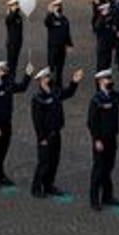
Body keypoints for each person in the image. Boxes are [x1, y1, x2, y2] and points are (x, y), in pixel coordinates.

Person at [86, 68, 119, 211]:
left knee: (108, 168)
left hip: (112, 138)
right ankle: (94, 199)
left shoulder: (113, 95)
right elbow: (91, 122)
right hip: (101, 140)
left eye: (110, 79)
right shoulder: (97, 100)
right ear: (100, 82)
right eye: (107, 79)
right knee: (98, 169)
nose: (110, 81)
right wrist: (96, 139)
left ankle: (107, 196)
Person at [30, 67, 84, 197]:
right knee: (44, 162)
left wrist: (74, 81)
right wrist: (41, 137)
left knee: (54, 161)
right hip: (46, 135)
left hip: (56, 132)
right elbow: (37, 120)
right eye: (47, 77)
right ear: (41, 80)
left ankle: (48, 185)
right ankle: (36, 187)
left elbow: (68, 93)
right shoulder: (38, 98)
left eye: (49, 77)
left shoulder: (54, 92)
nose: (50, 79)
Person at [0, 59, 34, 189]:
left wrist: (28, 75)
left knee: (3, 150)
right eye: (3, 70)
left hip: (6, 123)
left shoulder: (7, 85)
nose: (5, 72)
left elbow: (22, 87)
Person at [44, 0, 73, 81]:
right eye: (56, 6)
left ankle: (59, 85)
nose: (58, 8)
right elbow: (46, 22)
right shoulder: (51, 18)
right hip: (53, 47)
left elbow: (67, 32)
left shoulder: (64, 19)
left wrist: (69, 44)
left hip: (62, 47)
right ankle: (51, 84)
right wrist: (49, 12)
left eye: (59, 6)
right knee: (52, 67)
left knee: (60, 68)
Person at [4, 0, 24, 79]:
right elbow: (9, 20)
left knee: (15, 62)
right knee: (11, 62)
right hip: (11, 42)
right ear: (10, 6)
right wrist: (12, 10)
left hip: (18, 41)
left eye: (17, 4)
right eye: (14, 5)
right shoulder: (9, 16)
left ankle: (12, 77)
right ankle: (8, 78)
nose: (16, 6)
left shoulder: (18, 16)